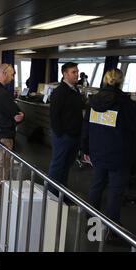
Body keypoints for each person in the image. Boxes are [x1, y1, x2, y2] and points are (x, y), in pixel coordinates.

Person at [81, 68, 136, 225]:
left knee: (97, 185)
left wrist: (85, 149)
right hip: (119, 154)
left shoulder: (93, 101)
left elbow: (86, 127)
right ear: (121, 82)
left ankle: (90, 220)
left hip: (97, 151)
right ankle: (111, 227)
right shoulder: (125, 103)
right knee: (115, 191)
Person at [0, 63, 25, 207]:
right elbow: (17, 115)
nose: (13, 77)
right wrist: (20, 115)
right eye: (12, 74)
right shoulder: (2, 93)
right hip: (3, 136)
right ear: (3, 73)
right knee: (2, 170)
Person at [49, 62, 85, 195]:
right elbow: (54, 115)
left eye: (77, 71)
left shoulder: (75, 90)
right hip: (63, 136)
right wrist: (59, 134)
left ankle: (62, 193)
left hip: (74, 135)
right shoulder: (59, 92)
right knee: (58, 166)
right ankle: (51, 194)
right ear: (65, 74)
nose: (77, 74)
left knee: (66, 167)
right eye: (73, 72)